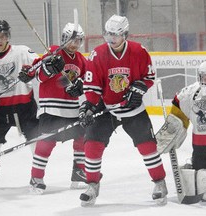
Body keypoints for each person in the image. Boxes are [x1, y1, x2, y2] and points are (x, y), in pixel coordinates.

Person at [78, 14, 168, 206]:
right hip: (106, 107)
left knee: (148, 146)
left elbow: (149, 76)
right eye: (108, 34)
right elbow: (92, 85)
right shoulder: (98, 54)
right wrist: (89, 106)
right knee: (92, 145)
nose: (111, 39)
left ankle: (159, 182)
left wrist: (139, 88)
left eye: (115, 35)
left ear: (125, 34)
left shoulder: (139, 51)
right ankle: (92, 185)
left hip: (132, 108)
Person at [18, 23, 88, 194]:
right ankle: (36, 177)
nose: (74, 44)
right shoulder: (54, 51)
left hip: (72, 108)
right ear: (64, 39)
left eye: (78, 41)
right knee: (46, 143)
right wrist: (48, 68)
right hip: (51, 108)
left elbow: (86, 80)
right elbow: (38, 77)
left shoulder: (80, 59)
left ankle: (78, 174)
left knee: (82, 138)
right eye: (71, 40)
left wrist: (79, 86)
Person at [0, 20, 40, 189]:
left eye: (3, 36)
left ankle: (37, 176)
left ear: (8, 37)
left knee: (37, 142)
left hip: (25, 108)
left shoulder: (22, 52)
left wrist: (33, 71)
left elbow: (40, 66)